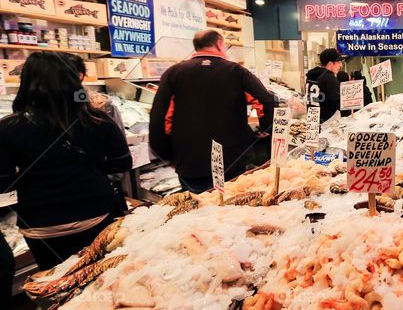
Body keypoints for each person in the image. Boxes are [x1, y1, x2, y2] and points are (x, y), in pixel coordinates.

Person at [0, 53, 132, 270]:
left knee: (55, 280)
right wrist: (92, 172)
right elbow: (122, 163)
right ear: (73, 81)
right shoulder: (97, 119)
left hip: (40, 223)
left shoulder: (7, 128)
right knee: (100, 275)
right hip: (96, 213)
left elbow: (3, 184)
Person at [149, 30, 276, 193]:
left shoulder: (173, 73)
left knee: (199, 211)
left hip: (190, 162)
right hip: (232, 159)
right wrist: (267, 131)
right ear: (220, 44)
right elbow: (265, 101)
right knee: (232, 209)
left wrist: (166, 154)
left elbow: (159, 119)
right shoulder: (236, 72)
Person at [305, 48, 344, 122]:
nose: (341, 65)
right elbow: (338, 102)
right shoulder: (330, 78)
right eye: (338, 62)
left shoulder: (311, 76)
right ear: (330, 64)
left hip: (312, 120)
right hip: (327, 123)